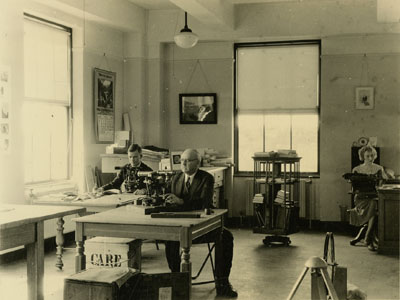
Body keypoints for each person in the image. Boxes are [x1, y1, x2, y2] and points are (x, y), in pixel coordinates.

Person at [163, 149, 238, 298]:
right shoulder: (176, 178)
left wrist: (182, 202)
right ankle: (177, 280)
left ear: (197, 163)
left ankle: (222, 283)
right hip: (181, 225)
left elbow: (204, 202)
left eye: (188, 160)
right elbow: (166, 195)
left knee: (226, 237)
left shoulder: (206, 178)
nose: (183, 163)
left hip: (202, 226)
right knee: (169, 237)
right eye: (182, 160)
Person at [349, 145, 387, 251]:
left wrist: (384, 178)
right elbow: (353, 188)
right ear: (362, 157)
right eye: (367, 156)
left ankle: (367, 238)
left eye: (372, 156)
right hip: (360, 198)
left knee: (374, 205)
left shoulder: (379, 168)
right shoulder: (356, 169)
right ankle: (368, 240)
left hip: (374, 196)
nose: (370, 158)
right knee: (374, 209)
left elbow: (381, 186)